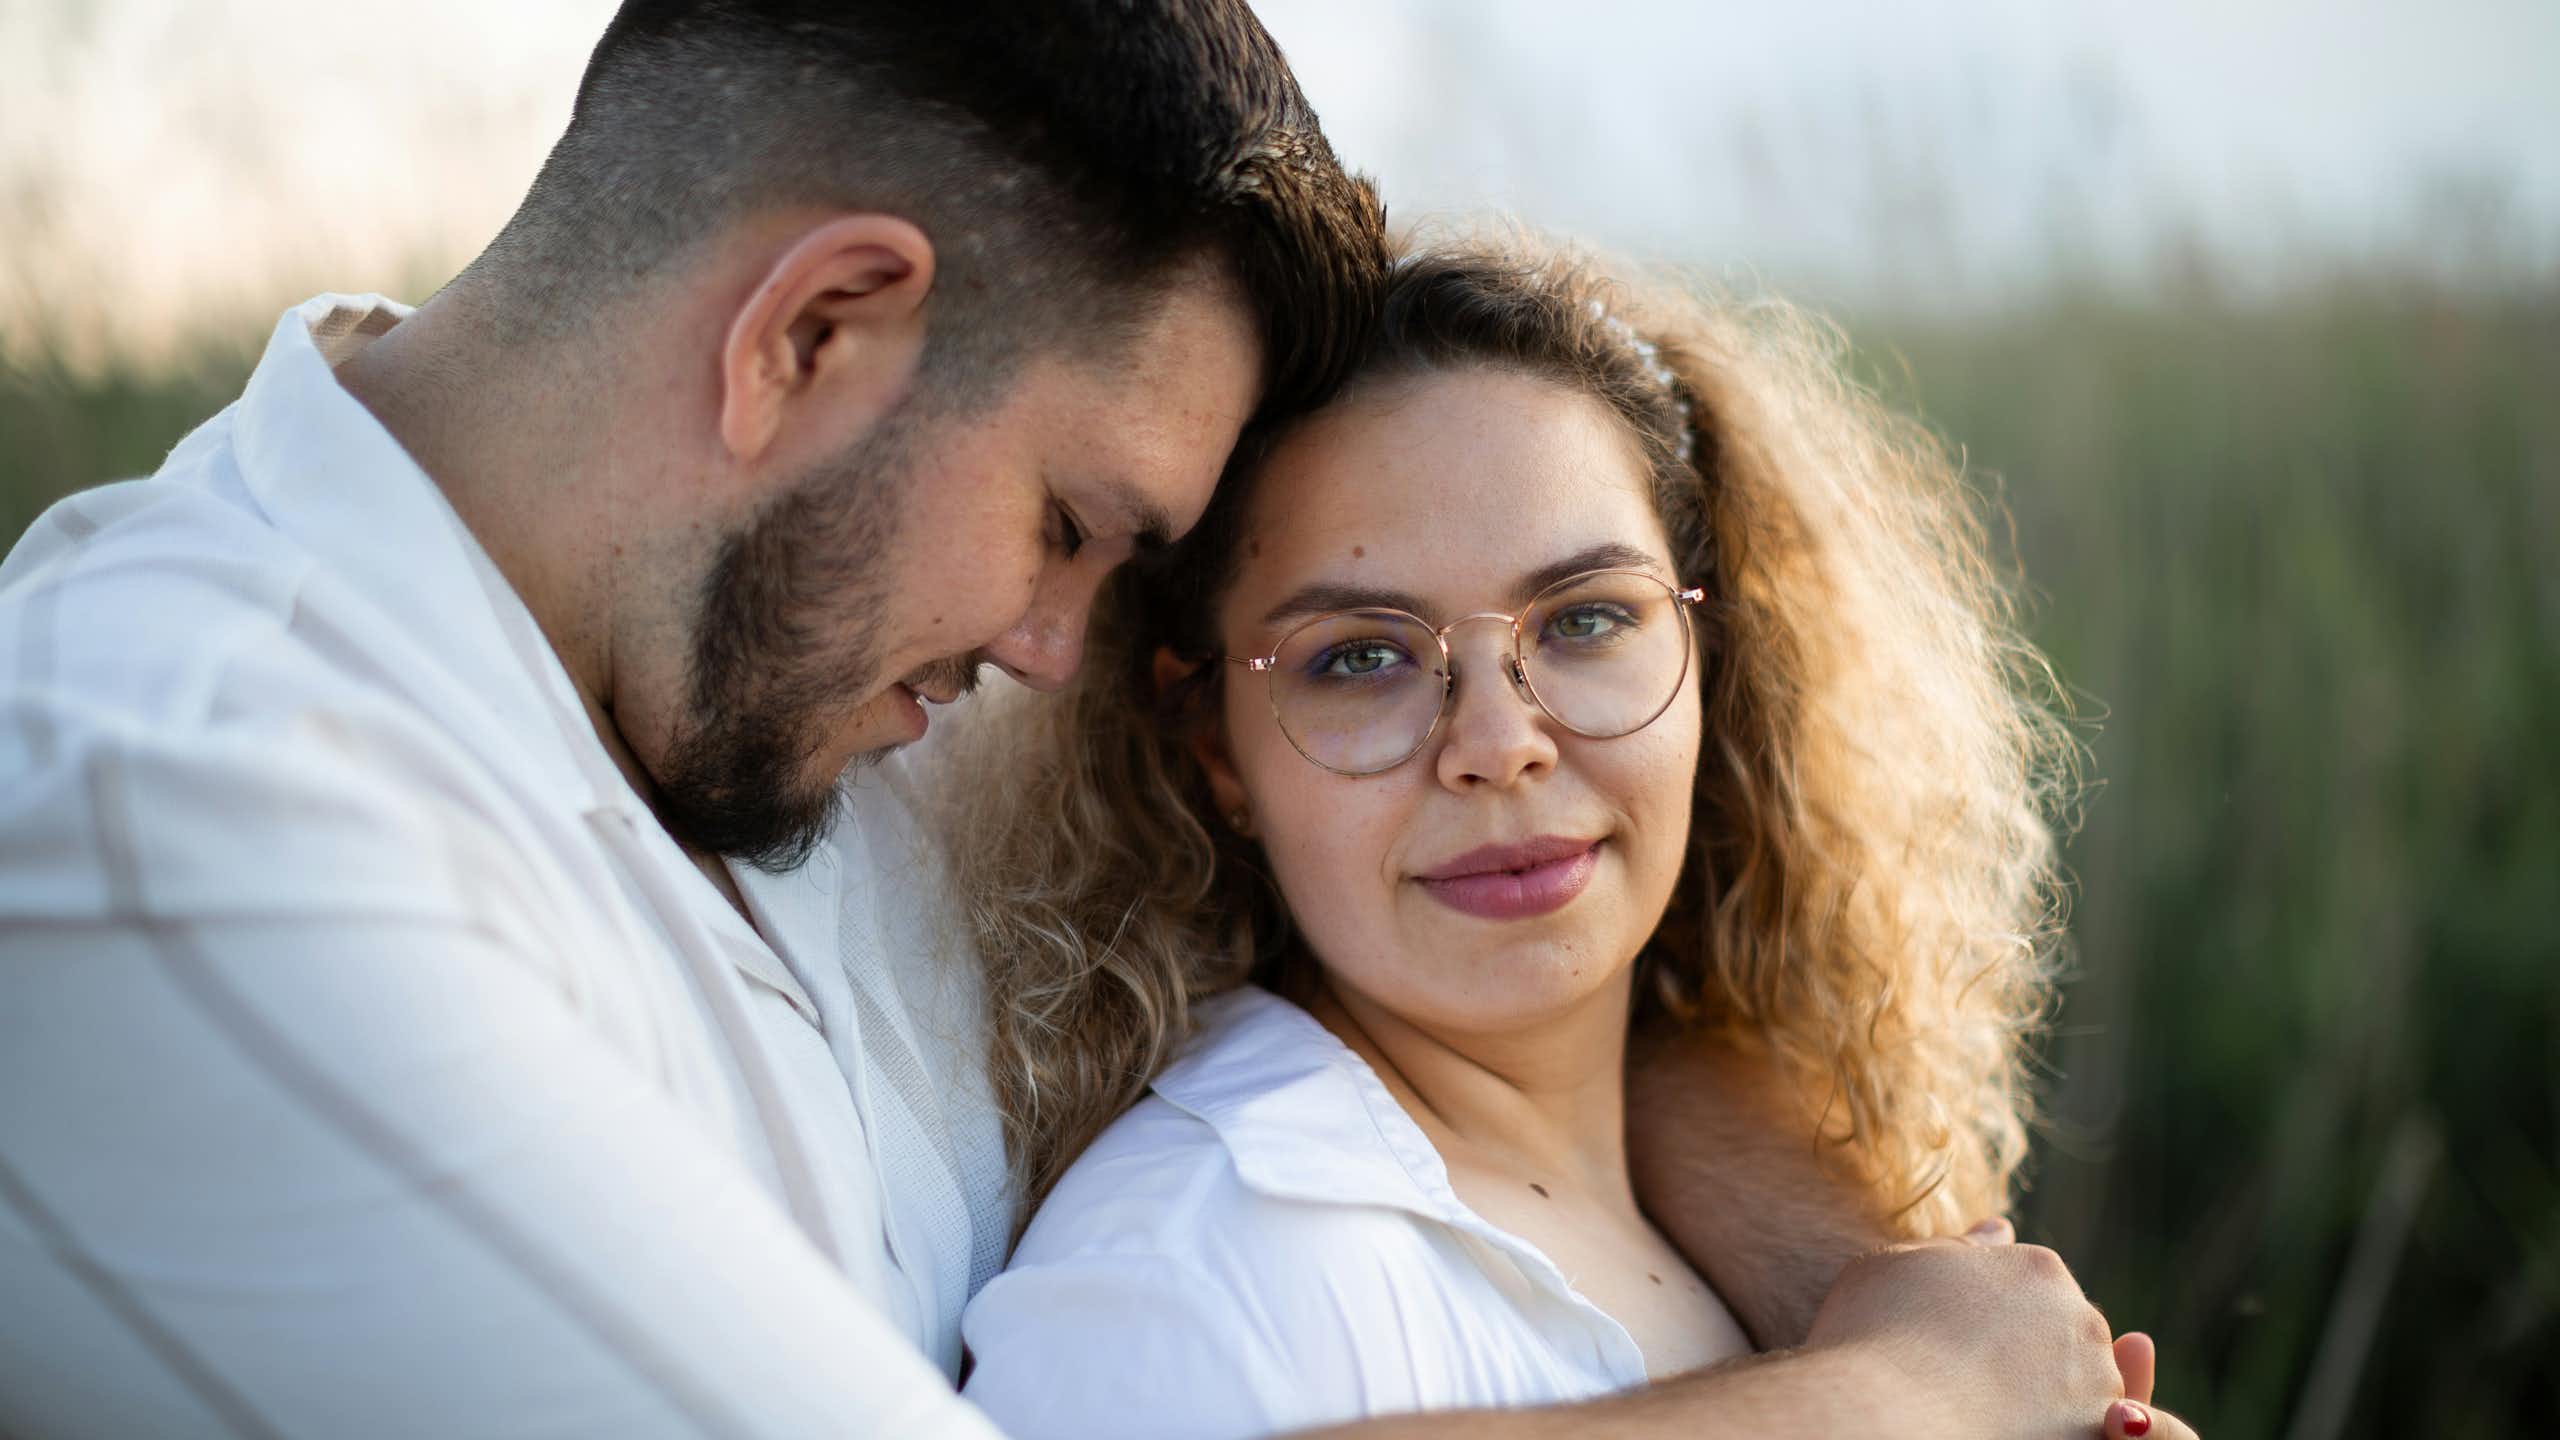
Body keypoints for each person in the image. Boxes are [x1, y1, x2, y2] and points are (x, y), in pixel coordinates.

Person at [0, 1, 2178, 1435]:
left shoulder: (776, 663)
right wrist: (1889, 1408)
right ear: (817, 334)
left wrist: (1871, 1282)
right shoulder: (160, 820)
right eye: (1071, 523)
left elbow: (1473, 948)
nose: (1053, 655)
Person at [947, 238, 2184, 1440]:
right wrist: (1911, 1397)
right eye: (1361, 657)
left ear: (1712, 665)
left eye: (1587, 618)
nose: (1500, 741)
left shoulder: (1739, 1182)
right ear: (1212, 744)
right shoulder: (1182, 1280)